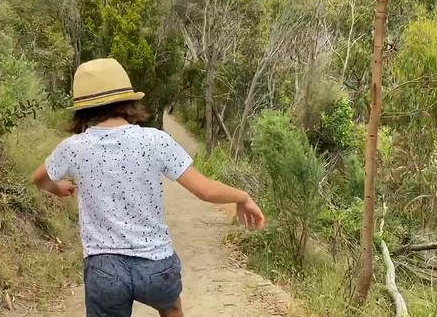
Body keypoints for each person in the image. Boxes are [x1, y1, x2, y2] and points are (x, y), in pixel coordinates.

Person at [31, 58, 265, 317]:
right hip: (156, 263)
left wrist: (58, 188)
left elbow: (39, 178)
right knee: (173, 310)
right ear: (128, 101)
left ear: (82, 109)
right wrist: (242, 197)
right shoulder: (155, 140)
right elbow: (205, 190)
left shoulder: (73, 148)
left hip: (103, 267)